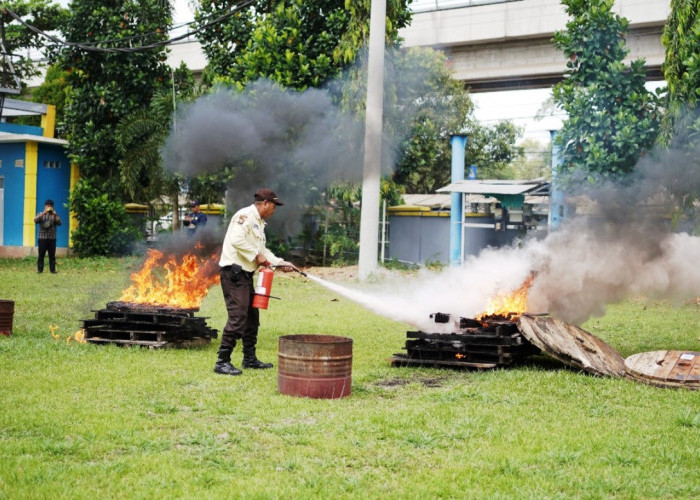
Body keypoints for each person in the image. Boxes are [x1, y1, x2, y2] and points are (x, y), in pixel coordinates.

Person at [215, 188, 298, 376]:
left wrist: (280, 262)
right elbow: (237, 240)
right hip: (233, 274)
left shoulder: (259, 223)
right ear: (265, 203)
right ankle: (222, 361)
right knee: (238, 318)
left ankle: (249, 359)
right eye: (274, 206)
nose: (274, 210)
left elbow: (263, 251)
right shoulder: (245, 216)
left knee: (252, 320)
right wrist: (256, 255)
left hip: (245, 276)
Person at [33, 199, 62, 274]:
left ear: (53, 207)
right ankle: (40, 270)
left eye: (51, 206)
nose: (49, 207)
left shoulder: (55, 215)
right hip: (42, 238)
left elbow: (60, 223)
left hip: (52, 239)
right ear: (45, 206)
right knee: (41, 255)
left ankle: (52, 270)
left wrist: (55, 215)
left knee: (52, 256)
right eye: (48, 206)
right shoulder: (40, 213)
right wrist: (44, 213)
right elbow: (35, 220)